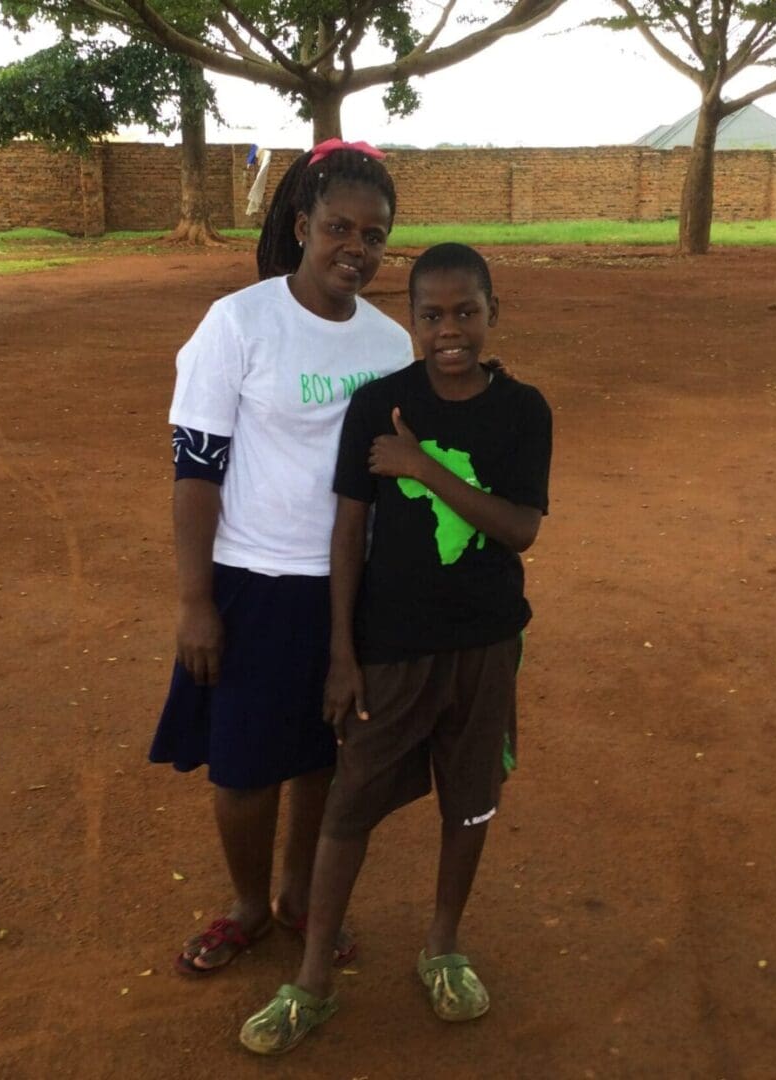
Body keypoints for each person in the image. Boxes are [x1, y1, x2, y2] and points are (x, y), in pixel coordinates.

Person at [240, 243, 554, 1054]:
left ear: (493, 313)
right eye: (431, 316)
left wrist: (420, 466)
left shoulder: (523, 411)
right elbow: (348, 531)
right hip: (392, 646)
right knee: (350, 804)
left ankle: (443, 946)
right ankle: (312, 979)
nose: (449, 330)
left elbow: (519, 528)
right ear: (410, 321)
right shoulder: (378, 404)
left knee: (471, 796)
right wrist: (342, 652)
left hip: (485, 644)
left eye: (466, 313)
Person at [149, 139, 414, 977]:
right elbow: (197, 472)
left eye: (374, 236)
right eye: (339, 227)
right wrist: (196, 602)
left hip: (352, 590)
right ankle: (248, 905)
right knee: (244, 766)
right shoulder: (239, 323)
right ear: (302, 224)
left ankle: (302, 897)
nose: (356, 249)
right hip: (254, 582)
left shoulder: (389, 345)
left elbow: (398, 478)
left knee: (326, 758)